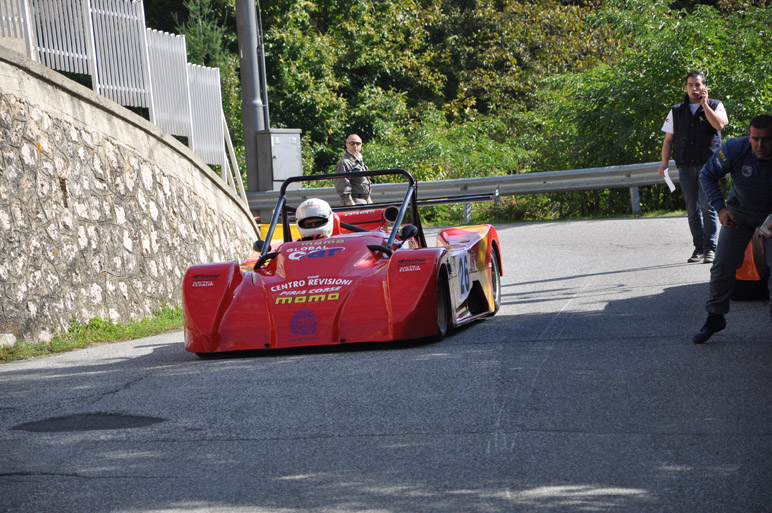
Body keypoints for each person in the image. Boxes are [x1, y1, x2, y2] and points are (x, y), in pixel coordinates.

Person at [692, 114, 772, 344]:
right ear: (748, 136)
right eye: (755, 139)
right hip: (739, 214)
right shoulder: (735, 148)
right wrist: (720, 209)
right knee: (722, 265)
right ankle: (715, 316)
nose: (760, 145)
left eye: (766, 140)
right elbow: (706, 175)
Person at [658, 70, 728, 264]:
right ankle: (698, 247)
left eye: (697, 84)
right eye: (690, 84)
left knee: (708, 207)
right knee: (692, 209)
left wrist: (704, 104)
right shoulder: (676, 111)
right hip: (685, 165)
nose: (694, 88)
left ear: (704, 86)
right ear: (685, 87)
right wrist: (664, 163)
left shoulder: (715, 105)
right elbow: (668, 139)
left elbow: (719, 125)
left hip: (709, 166)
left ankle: (710, 248)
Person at [335, 134, 373, 206]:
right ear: (347, 145)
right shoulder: (344, 162)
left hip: (364, 201)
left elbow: (363, 183)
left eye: (358, 143)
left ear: (361, 146)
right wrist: (348, 201)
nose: (355, 146)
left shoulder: (359, 161)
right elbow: (342, 184)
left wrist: (368, 199)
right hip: (354, 201)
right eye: (352, 143)